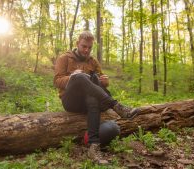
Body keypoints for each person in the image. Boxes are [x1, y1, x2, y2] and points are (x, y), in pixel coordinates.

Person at [53, 31, 140, 164]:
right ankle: (116, 106)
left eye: (89, 47)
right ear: (77, 44)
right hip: (70, 100)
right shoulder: (64, 58)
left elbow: (100, 80)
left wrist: (105, 81)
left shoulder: (93, 61)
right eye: (84, 46)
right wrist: (72, 77)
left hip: (89, 102)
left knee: (92, 93)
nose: (86, 50)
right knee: (79, 77)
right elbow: (57, 81)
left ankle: (93, 148)